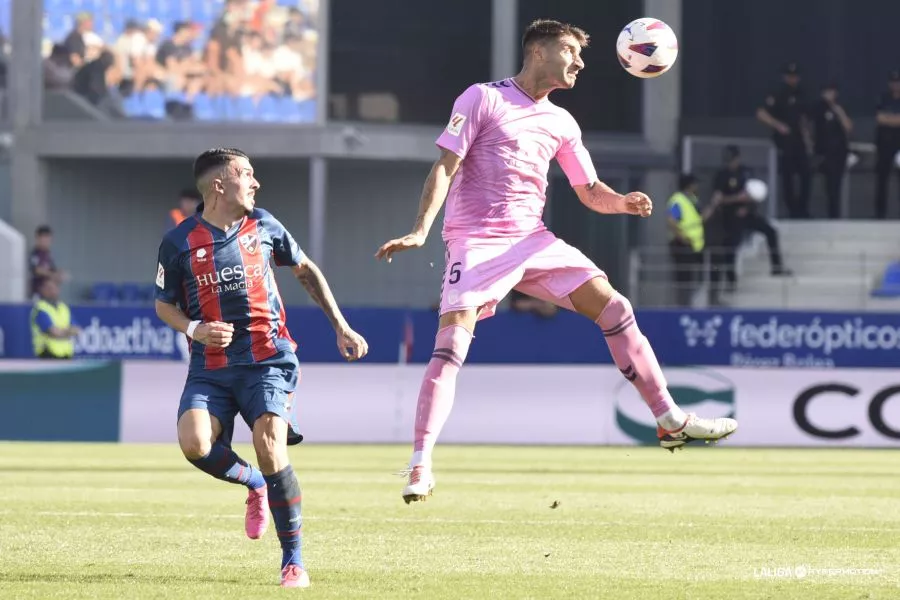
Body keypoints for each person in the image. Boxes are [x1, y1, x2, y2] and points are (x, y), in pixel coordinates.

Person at [374, 19, 738, 504]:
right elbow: (445, 165)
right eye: (572, 51)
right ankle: (421, 465)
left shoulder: (562, 123)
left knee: (615, 307)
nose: (581, 63)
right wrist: (421, 229)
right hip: (477, 242)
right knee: (451, 346)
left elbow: (589, 191)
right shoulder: (482, 98)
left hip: (533, 241)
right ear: (539, 50)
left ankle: (670, 419)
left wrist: (622, 202)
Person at [154, 148, 368, 588]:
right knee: (194, 444)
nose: (255, 182)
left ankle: (294, 562)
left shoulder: (264, 224)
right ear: (218, 185)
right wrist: (194, 328)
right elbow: (163, 305)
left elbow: (304, 269)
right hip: (210, 367)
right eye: (246, 174)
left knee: (269, 442)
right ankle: (253, 483)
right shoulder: (178, 241)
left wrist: (341, 326)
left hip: (268, 358)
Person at [756, 62, 812, 219]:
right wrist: (778, 125)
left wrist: (807, 138)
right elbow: (761, 113)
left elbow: (805, 118)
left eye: (795, 76)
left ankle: (803, 208)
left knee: (806, 173)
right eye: (790, 76)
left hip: (799, 140)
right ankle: (792, 209)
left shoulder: (802, 94)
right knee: (788, 176)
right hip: (784, 140)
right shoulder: (777, 93)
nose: (792, 79)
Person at [811, 82, 852, 219]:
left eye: (831, 91)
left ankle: (835, 215)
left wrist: (837, 110)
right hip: (822, 152)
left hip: (838, 152)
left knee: (835, 185)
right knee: (825, 186)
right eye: (826, 92)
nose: (829, 94)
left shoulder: (841, 107)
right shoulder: (817, 108)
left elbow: (848, 127)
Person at [667, 174, 706, 307]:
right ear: (689, 185)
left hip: (694, 246)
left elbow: (697, 220)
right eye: (695, 183)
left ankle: (689, 303)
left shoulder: (692, 199)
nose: (697, 186)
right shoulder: (678, 200)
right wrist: (682, 237)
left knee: (693, 277)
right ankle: (683, 305)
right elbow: (671, 220)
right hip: (683, 244)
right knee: (684, 277)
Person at [30, 278, 81, 359]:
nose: (52, 291)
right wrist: (67, 332)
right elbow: (53, 332)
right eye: (49, 288)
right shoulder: (41, 309)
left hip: (66, 353)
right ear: (42, 290)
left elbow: (77, 330)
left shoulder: (63, 307)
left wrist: (61, 331)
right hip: (48, 354)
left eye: (54, 288)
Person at [874, 70, 900, 219]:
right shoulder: (883, 98)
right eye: (894, 82)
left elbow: (887, 119)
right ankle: (879, 214)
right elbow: (880, 118)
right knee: (882, 179)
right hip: (884, 145)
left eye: (898, 82)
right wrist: (895, 119)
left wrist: (890, 119)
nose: (896, 85)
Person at [29, 225, 67, 298]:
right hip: (37, 295)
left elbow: (53, 271)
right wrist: (52, 274)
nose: (46, 241)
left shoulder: (48, 255)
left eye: (48, 238)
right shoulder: (35, 254)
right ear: (38, 238)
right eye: (44, 237)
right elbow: (36, 270)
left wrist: (60, 275)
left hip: (48, 297)